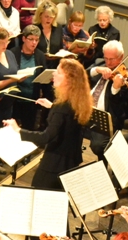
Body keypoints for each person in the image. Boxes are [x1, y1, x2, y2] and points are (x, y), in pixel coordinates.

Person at [5, 58, 91, 189]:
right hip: (70, 160)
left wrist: (18, 130)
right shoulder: (78, 101)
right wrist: (52, 107)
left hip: (55, 163)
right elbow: (68, 120)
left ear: (69, 79)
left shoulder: (61, 107)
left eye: (58, 72)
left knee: (39, 193)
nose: (54, 74)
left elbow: (46, 137)